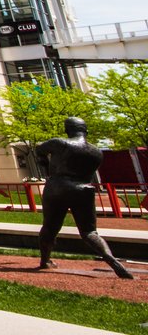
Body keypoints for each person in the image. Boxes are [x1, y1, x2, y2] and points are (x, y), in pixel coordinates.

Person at [36, 117, 133, 279]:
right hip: (83, 189)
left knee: (50, 227)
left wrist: (44, 163)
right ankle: (111, 259)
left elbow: (39, 150)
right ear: (86, 130)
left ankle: (45, 260)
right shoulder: (96, 152)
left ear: (67, 130)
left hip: (57, 187)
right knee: (89, 232)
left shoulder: (60, 143)